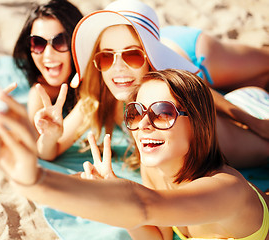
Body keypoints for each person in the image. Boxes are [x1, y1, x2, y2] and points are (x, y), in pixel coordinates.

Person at [0, 69, 268, 240]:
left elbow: (143, 205)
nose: (143, 124)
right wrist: (117, 201)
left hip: (254, 106)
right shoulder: (156, 169)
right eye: (136, 112)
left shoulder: (226, 189)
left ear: (199, 123)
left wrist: (35, 180)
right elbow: (157, 234)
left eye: (162, 113)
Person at [35, 0, 269, 167]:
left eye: (132, 55)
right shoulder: (99, 96)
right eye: (106, 57)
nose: (117, 67)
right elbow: (48, 152)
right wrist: (51, 134)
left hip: (195, 52)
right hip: (151, 36)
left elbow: (202, 92)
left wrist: (253, 122)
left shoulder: (170, 86)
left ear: (151, 57)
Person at [12, 0, 83, 124]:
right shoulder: (40, 90)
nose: (48, 54)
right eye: (38, 43)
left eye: (60, 41)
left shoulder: (97, 85)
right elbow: (34, 139)